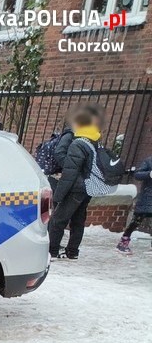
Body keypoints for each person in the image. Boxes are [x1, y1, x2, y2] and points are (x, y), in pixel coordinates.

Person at [49, 110, 102, 261]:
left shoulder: (77, 144)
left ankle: (52, 251)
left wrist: (59, 195)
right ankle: (72, 252)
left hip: (75, 188)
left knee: (58, 219)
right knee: (78, 220)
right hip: (87, 187)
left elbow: (70, 172)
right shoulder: (94, 142)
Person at [116, 155, 152, 254]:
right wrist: (149, 174)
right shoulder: (149, 161)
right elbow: (137, 174)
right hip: (147, 197)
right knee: (136, 221)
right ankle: (123, 242)